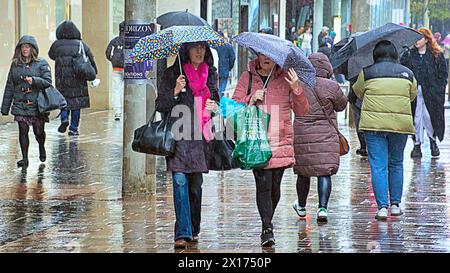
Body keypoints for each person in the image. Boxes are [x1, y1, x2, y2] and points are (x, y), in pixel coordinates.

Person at [232, 52, 309, 247]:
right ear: (257, 55)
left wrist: (297, 89)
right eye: (262, 54)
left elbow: (302, 111)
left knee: (275, 187)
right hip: (256, 140)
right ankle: (267, 228)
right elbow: (233, 106)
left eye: (270, 55)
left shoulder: (286, 78)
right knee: (263, 184)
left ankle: (268, 220)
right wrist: (250, 98)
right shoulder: (247, 77)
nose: (266, 58)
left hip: (280, 140)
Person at [156, 42, 219, 249]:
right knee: (180, 181)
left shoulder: (211, 73)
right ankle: (182, 232)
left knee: (195, 185)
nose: (200, 51)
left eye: (203, 47)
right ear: (186, 51)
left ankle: (193, 227)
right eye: (195, 48)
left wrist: (213, 106)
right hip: (178, 136)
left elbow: (218, 102)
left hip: (201, 138)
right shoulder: (172, 74)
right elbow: (161, 105)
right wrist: (175, 91)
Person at [353, 40, 417, 220]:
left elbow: (358, 92)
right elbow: (412, 95)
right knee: (396, 163)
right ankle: (395, 205)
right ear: (395, 55)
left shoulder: (367, 73)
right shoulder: (408, 74)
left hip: (374, 126)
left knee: (378, 166)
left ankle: (382, 207)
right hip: (399, 125)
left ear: (375, 55)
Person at [292, 53, 348, 222]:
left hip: (302, 133)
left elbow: (292, 103)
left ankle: (301, 206)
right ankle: (322, 208)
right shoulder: (332, 86)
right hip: (326, 133)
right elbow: (342, 105)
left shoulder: (299, 84)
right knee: (325, 171)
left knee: (303, 172)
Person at [1, 35, 52, 168]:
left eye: (28, 47)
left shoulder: (42, 63)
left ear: (33, 49)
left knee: (38, 132)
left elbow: (48, 82)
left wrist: (34, 80)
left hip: (37, 105)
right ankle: (25, 158)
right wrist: (5, 107)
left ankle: (41, 146)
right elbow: (9, 85)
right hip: (20, 103)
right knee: (22, 131)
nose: (25, 49)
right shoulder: (16, 65)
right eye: (23, 47)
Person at [400, 28, 448, 158]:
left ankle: (433, 140)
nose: (417, 41)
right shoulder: (409, 55)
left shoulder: (436, 55)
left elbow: (443, 75)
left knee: (429, 117)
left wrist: (438, 89)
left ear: (426, 39)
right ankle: (417, 144)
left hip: (431, 93)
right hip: (414, 93)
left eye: (420, 38)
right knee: (416, 118)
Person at [49, 20, 98, 136]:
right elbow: (90, 58)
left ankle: (64, 118)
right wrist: (94, 72)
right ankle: (73, 128)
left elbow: (51, 55)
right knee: (77, 104)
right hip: (78, 79)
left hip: (62, 79)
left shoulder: (57, 44)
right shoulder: (81, 44)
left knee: (64, 101)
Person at [106, 21, 125, 121]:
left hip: (116, 68)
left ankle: (117, 112)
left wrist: (113, 60)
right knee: (128, 90)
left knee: (116, 91)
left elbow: (107, 53)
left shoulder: (114, 41)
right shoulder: (131, 41)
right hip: (129, 70)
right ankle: (128, 110)